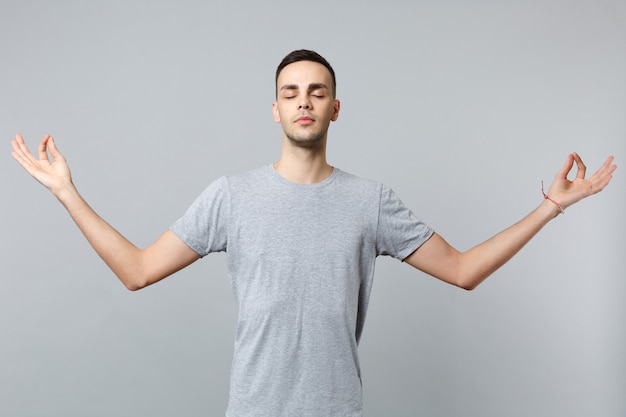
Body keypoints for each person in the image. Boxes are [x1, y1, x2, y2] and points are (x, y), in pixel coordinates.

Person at [10, 49, 616, 417]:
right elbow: (137, 271)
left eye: (317, 92)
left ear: (335, 108)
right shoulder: (231, 196)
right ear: (274, 108)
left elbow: (462, 271)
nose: (304, 102)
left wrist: (550, 208)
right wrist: (67, 191)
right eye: (291, 92)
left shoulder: (370, 201)